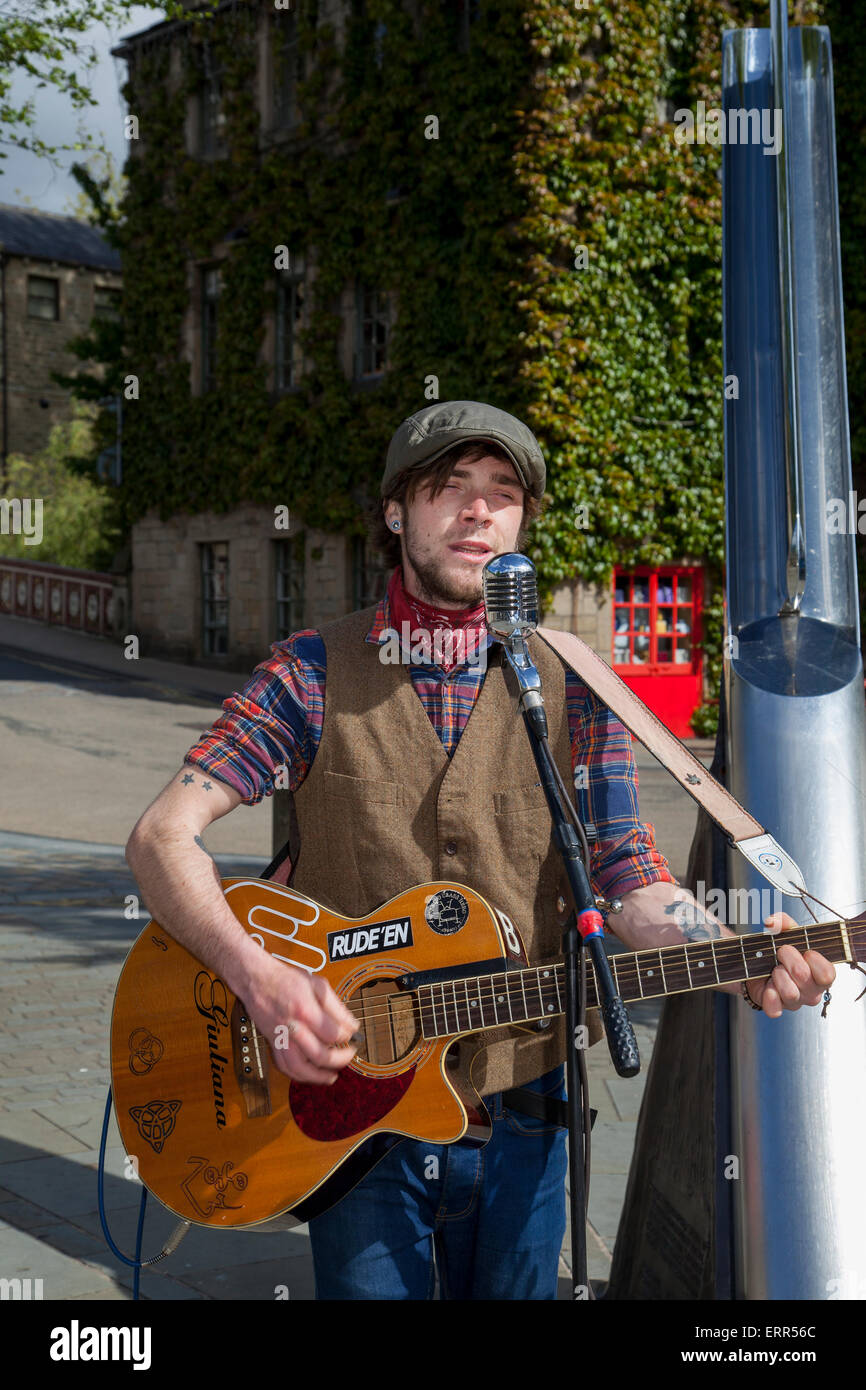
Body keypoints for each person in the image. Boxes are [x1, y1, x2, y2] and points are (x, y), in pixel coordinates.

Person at [125, 400, 836, 1301]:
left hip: (525, 1110)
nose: (477, 511)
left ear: (522, 523)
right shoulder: (309, 671)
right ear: (396, 513)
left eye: (501, 493)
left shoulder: (578, 685)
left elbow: (626, 878)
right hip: (351, 1121)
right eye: (448, 487)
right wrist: (258, 978)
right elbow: (161, 836)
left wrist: (726, 952)